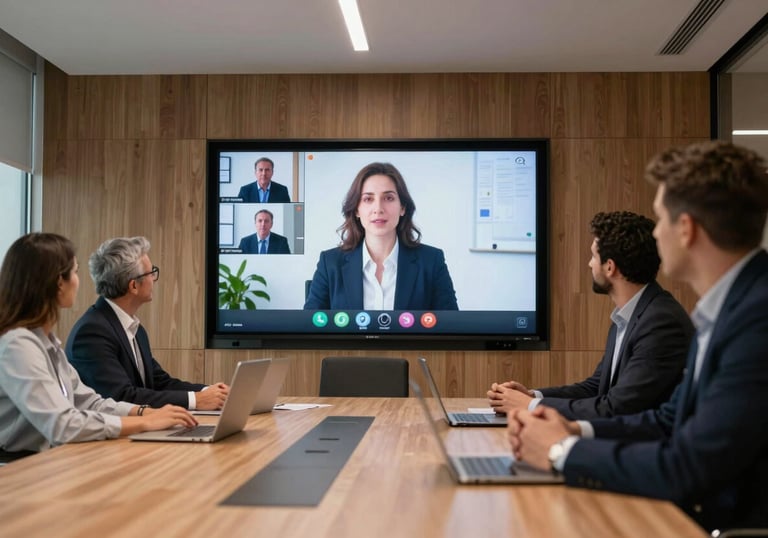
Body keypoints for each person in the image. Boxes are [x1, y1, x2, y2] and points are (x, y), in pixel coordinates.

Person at [507, 140, 768, 532]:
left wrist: (561, 450)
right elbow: (666, 421)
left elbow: (689, 466)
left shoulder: (756, 319)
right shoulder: (727, 309)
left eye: (661, 219)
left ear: (686, 229)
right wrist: (574, 429)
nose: (656, 234)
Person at [0, 233, 198, 456]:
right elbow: (63, 425)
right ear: (58, 283)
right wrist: (143, 423)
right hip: (20, 466)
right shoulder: (17, 346)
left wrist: (144, 412)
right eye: (75, 272)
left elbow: (91, 403)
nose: (78, 281)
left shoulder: (46, 343)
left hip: (48, 460)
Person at [488, 211, 693, 419]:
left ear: (610, 267)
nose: (589, 264)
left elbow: (617, 408)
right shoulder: (627, 317)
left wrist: (531, 405)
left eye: (594, 256)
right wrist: (532, 396)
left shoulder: (660, 323)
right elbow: (596, 387)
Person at [66, 237, 230, 410]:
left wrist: (210, 392)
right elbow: (122, 397)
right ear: (133, 286)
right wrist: (196, 400)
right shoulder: (92, 333)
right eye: (150, 273)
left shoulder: (134, 329)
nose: (153, 278)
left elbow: (159, 382)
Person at [303, 162, 458, 310]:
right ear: (356, 210)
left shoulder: (432, 261)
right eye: (368, 199)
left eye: (388, 198)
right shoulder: (330, 262)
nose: (378, 208)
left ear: (402, 207)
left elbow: (451, 324)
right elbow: (309, 324)